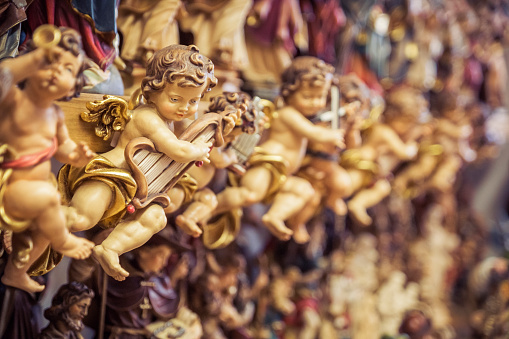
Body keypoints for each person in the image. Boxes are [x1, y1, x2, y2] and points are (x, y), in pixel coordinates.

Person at [59, 44, 216, 281]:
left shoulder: (170, 119)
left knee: (156, 218)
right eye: (175, 99)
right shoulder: (147, 117)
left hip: (135, 190)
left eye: (193, 101)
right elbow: (176, 149)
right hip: (110, 176)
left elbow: (186, 135)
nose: (185, 108)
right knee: (82, 218)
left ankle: (110, 248)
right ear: (152, 91)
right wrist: (197, 150)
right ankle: (32, 220)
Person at [0, 26, 95, 293]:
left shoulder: (55, 115)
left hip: (36, 192)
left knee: (46, 225)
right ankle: (64, 241)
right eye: (50, 61)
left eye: (67, 68)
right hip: (8, 185)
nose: (56, 70)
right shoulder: (13, 100)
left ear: (74, 83)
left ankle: (15, 273)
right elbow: (3, 75)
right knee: (50, 201)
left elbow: (62, 147)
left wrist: (75, 155)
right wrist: (34, 60)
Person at [212, 56, 344, 243]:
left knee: (304, 190)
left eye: (321, 97)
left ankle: (274, 216)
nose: (316, 103)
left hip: (282, 173)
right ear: (289, 93)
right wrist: (331, 135)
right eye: (308, 97)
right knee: (249, 195)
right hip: (267, 164)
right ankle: (211, 207)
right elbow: (313, 134)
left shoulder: (307, 118)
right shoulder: (288, 114)